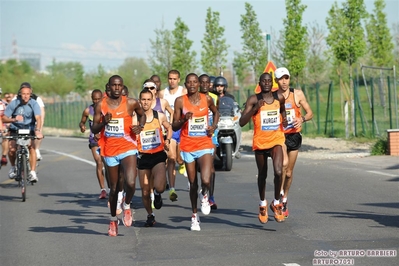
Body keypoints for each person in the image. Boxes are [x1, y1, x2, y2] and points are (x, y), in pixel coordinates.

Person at [92, 75, 146, 237]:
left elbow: (142, 114)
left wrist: (140, 126)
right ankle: (113, 219)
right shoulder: (100, 105)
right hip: (109, 150)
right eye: (114, 86)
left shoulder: (130, 102)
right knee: (114, 188)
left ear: (123, 87)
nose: (117, 88)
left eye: (119, 86)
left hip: (128, 147)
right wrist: (103, 122)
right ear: (108, 87)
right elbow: (94, 129)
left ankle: (127, 205)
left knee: (130, 182)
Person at [172, 73, 220, 231]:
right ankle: (194, 216)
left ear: (199, 84)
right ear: (185, 84)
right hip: (188, 146)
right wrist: (184, 119)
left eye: (195, 82)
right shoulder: (180, 101)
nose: (192, 85)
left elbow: (216, 112)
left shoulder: (206, 99)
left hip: (204, 143)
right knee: (193, 183)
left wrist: (213, 126)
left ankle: (205, 195)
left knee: (206, 179)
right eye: (189, 82)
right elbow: (174, 126)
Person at [239, 72, 287, 224]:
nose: (266, 83)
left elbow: (282, 110)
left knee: (279, 171)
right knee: (262, 174)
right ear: (259, 83)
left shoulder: (279, 97)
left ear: (271, 83)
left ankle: (276, 202)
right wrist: (255, 110)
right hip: (260, 142)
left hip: (276, 139)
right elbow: (241, 122)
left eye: (268, 80)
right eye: (263, 81)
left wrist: (284, 119)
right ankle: (262, 204)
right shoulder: (254, 99)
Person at [275, 67, 313, 218]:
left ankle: (284, 199)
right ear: (276, 81)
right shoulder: (273, 96)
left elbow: (310, 113)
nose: (284, 82)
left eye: (286, 78)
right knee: (283, 164)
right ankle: (279, 196)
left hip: (294, 135)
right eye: (281, 79)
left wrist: (302, 119)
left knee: (289, 172)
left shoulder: (297, 94)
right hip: (280, 136)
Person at [137, 88, 172, 227]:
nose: (145, 102)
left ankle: (157, 194)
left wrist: (168, 140)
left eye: (148, 99)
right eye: (143, 100)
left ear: (152, 101)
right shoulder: (135, 118)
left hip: (158, 156)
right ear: (140, 101)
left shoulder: (159, 116)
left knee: (160, 187)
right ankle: (150, 215)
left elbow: (169, 128)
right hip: (143, 157)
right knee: (145, 192)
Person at [2, 82, 43, 182]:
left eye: (27, 94)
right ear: (20, 94)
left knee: (31, 147)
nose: (25, 96)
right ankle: (13, 168)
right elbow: (4, 118)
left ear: (30, 94)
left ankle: (32, 173)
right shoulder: (14, 103)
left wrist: (37, 131)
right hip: (15, 129)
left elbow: (38, 118)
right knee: (11, 150)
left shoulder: (34, 103)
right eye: (23, 94)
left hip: (29, 129)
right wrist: (14, 120)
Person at [158, 69, 187, 202]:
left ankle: (182, 163)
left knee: (180, 159)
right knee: (171, 158)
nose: (172, 81)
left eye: (174, 79)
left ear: (178, 80)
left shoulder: (183, 92)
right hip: (170, 129)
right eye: (170, 78)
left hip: (183, 128)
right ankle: (172, 189)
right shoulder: (162, 93)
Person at [79, 89, 108, 199]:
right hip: (94, 140)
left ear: (102, 98)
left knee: (107, 163)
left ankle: (112, 187)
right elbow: (82, 121)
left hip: (106, 140)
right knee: (99, 161)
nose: (96, 101)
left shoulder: (106, 109)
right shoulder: (88, 110)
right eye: (94, 99)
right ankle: (103, 189)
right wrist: (82, 126)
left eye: (98, 99)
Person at [198, 74, 219, 210]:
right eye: (203, 82)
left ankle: (210, 196)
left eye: (208, 83)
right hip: (196, 136)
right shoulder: (194, 97)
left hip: (211, 134)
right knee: (199, 168)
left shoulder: (214, 97)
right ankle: (199, 189)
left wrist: (214, 126)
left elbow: (216, 113)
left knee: (211, 167)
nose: (205, 85)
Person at [1, 92, 13, 166]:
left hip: (3, 123)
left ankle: (4, 155)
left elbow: (8, 115)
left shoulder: (4, 104)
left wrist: (8, 124)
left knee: (5, 136)